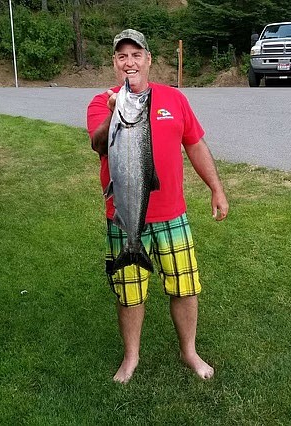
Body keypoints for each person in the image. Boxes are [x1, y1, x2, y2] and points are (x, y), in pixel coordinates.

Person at [87, 29, 229, 384]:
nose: (129, 62)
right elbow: (98, 144)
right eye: (122, 56)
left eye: (136, 55)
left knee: (185, 287)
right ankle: (131, 357)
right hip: (123, 218)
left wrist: (216, 188)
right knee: (129, 292)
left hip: (173, 215)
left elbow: (195, 145)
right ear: (115, 64)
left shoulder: (174, 99)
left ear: (149, 60)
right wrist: (111, 114)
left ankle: (189, 352)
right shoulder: (101, 102)